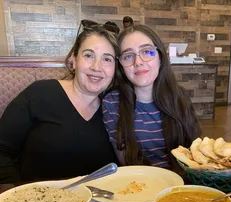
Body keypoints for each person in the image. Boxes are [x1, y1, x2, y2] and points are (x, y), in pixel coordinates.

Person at [0, 24, 119, 184]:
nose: (97, 67)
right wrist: (14, 195)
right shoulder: (40, 93)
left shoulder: (114, 108)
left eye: (107, 59)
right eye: (89, 55)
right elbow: (2, 150)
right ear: (74, 60)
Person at [102, 25, 201, 170]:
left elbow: (193, 154)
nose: (138, 62)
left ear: (160, 56)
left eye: (147, 51)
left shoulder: (180, 96)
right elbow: (125, 163)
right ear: (121, 65)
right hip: (140, 184)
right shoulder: (112, 103)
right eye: (128, 56)